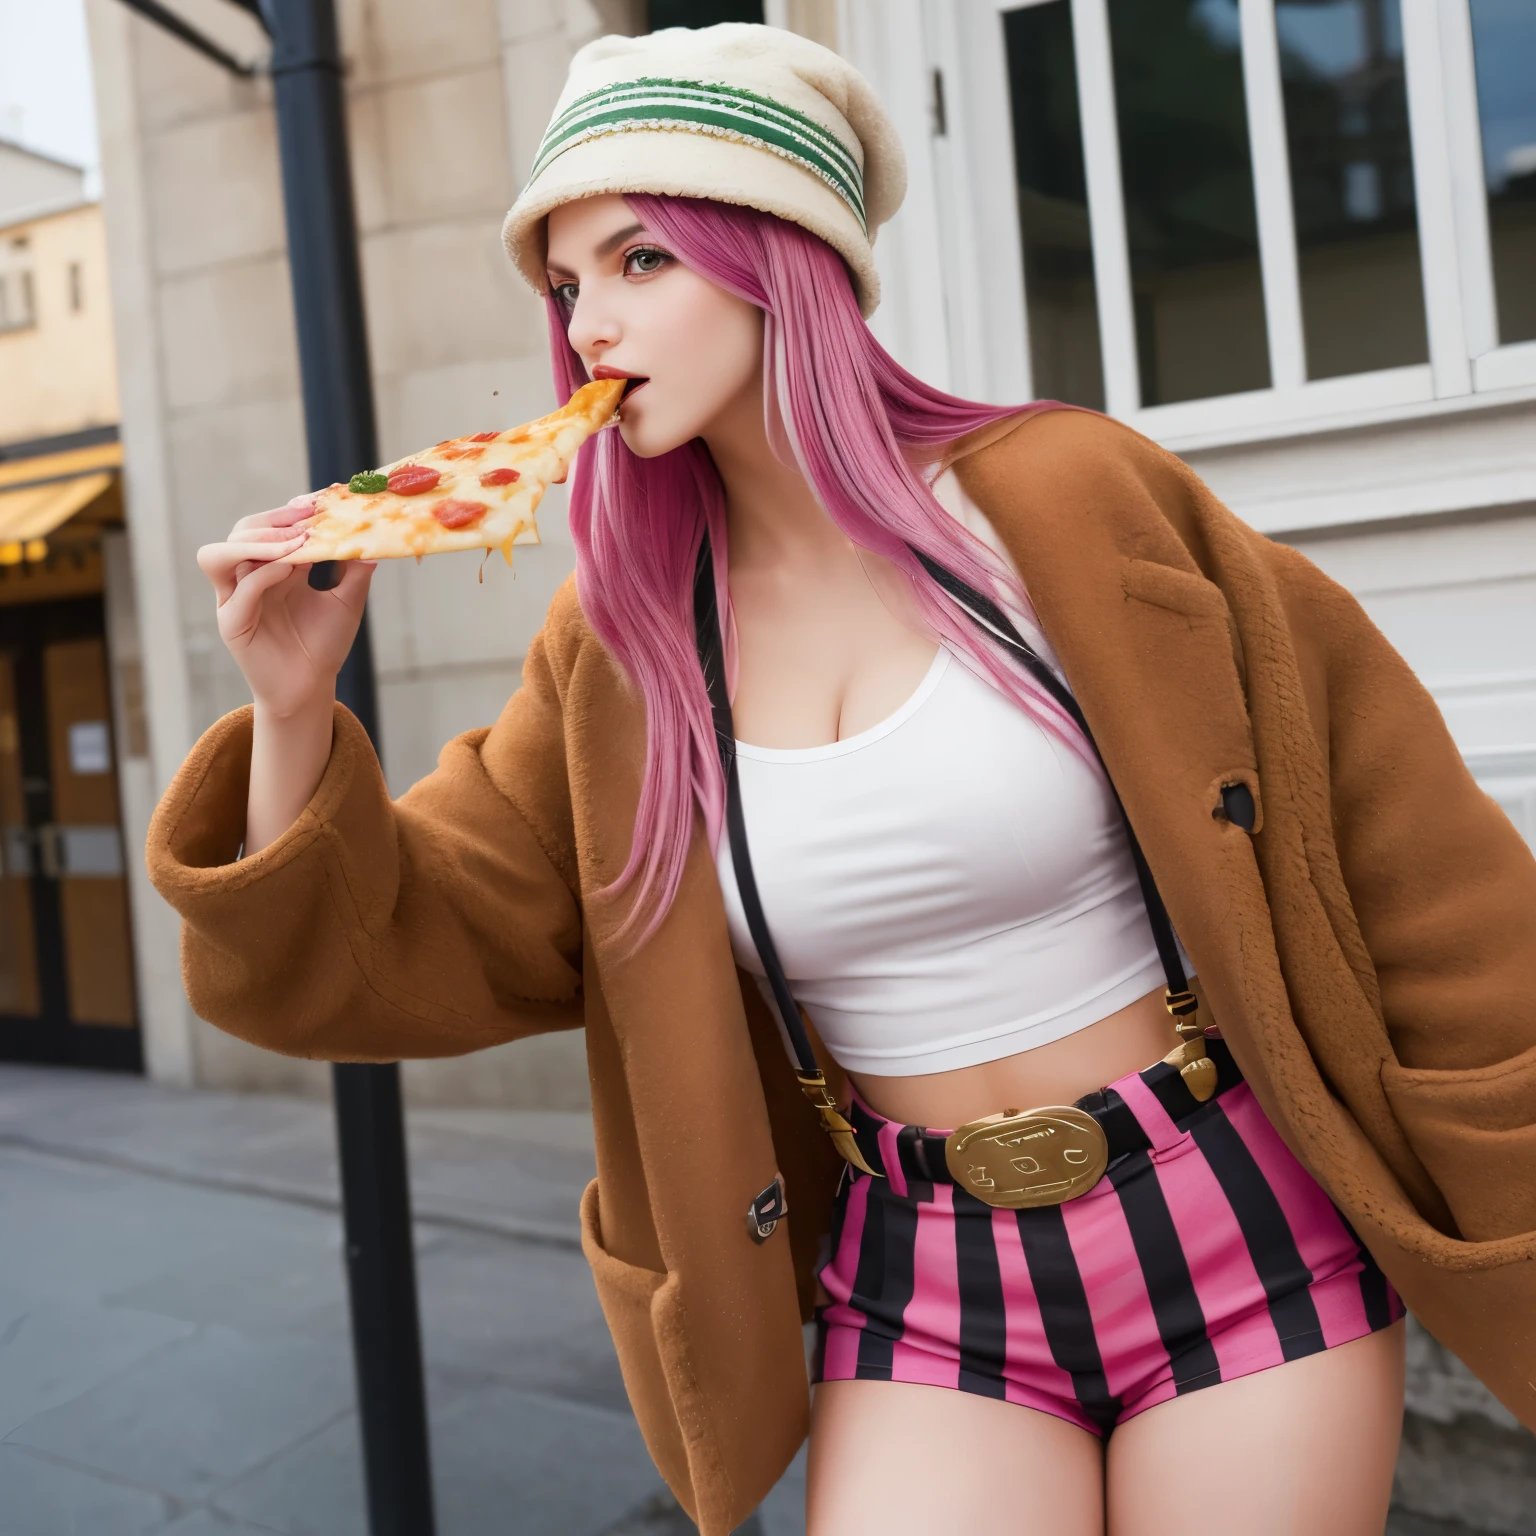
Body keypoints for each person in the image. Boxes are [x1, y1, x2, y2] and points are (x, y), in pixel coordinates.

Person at [149, 22, 1536, 1536]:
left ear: (778, 254)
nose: (587, 326)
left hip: (1233, 1218)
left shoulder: (1067, 502)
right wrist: (293, 707)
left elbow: (1414, 864)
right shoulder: (617, 653)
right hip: (924, 1276)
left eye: (640, 261)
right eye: (564, 285)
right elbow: (390, 951)